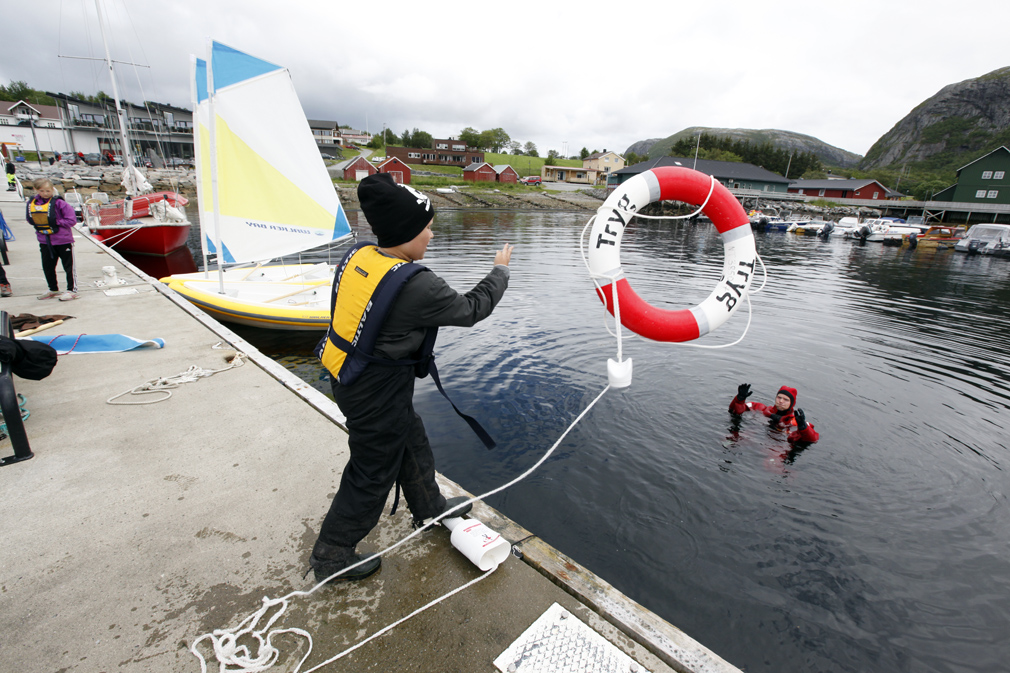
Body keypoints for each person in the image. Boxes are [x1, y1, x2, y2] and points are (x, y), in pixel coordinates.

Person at [309, 173, 513, 584]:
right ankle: (331, 554)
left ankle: (428, 507)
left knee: (410, 438)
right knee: (372, 471)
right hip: (375, 390)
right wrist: (499, 271)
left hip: (348, 376)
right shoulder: (416, 285)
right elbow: (472, 309)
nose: (432, 235)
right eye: (426, 227)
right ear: (405, 233)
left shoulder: (360, 255)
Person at [26, 178, 79, 301]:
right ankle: (53, 289)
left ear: (52, 190)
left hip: (63, 240)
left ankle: (72, 290)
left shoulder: (60, 203)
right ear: (36, 190)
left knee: (69, 267)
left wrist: (54, 221)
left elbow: (71, 220)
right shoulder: (32, 203)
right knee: (47, 266)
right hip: (45, 240)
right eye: (42, 191)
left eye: (48, 190)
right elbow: (30, 219)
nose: (45, 193)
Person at [729, 383, 819, 443]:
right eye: (779, 397)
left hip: (777, 444)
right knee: (731, 440)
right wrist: (739, 399)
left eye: (786, 399)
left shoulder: (796, 421)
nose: (781, 401)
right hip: (755, 436)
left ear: (792, 403)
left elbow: (814, 438)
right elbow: (733, 411)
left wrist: (803, 428)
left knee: (771, 465)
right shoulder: (761, 408)